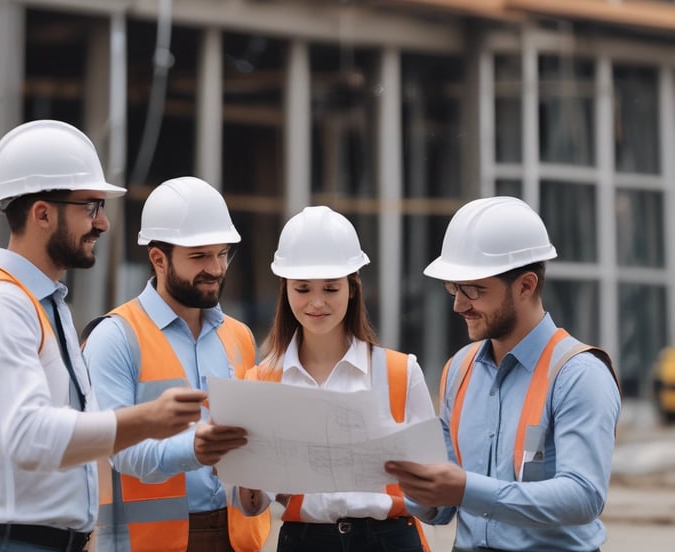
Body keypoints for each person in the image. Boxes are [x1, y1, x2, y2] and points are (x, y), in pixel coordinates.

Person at [0, 120, 207, 552]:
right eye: (91, 206)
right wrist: (148, 419)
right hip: (9, 543)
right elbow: (27, 436)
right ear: (42, 213)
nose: (104, 223)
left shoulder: (43, 303)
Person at [385, 196, 622, 552]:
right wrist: (416, 484)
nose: (459, 305)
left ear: (525, 286)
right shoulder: (459, 369)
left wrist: (466, 488)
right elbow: (442, 509)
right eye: (453, 289)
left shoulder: (579, 374)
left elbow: (583, 496)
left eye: (474, 291)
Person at [82, 176, 270, 552]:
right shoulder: (115, 338)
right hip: (150, 544)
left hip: (236, 539)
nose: (216, 268)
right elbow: (115, 448)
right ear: (158, 259)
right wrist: (195, 450)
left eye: (222, 254)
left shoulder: (239, 337)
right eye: (199, 256)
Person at [241, 205, 436, 552]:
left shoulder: (399, 373)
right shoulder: (262, 380)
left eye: (330, 289)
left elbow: (434, 494)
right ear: (285, 290)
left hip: (389, 539)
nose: (316, 302)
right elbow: (253, 505)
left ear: (352, 288)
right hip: (305, 541)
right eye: (303, 288)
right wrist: (243, 468)